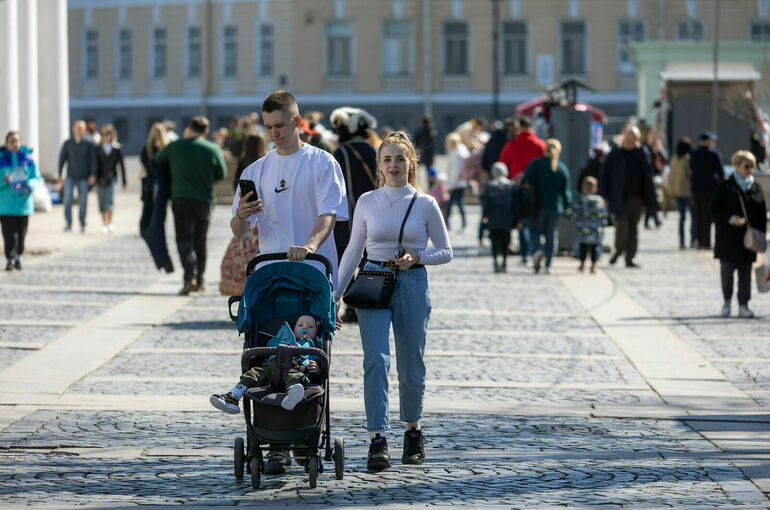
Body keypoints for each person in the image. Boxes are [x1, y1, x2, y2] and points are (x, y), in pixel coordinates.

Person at [231, 91, 348, 474]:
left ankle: (306, 433)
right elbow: (238, 228)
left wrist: (310, 245)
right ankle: (277, 439)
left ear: (297, 122)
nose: (274, 134)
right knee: (270, 354)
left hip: (310, 273)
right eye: (268, 127)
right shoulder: (255, 171)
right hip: (271, 275)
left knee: (308, 357)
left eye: (280, 126)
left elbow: (329, 214)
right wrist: (242, 215)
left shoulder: (321, 163)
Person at [335, 131, 452, 471]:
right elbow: (353, 251)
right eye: (387, 159)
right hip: (373, 282)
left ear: (410, 163)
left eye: (400, 158)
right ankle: (377, 438)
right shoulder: (368, 201)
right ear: (379, 165)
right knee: (375, 361)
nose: (394, 165)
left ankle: (413, 431)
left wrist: (418, 257)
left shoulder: (425, 203)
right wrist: (335, 296)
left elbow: (446, 251)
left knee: (411, 363)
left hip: (412, 283)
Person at [154, 116, 227, 295]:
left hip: (181, 199)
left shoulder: (175, 147)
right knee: (200, 242)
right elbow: (222, 173)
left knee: (184, 240)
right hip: (205, 201)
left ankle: (189, 277)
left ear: (189, 128)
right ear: (206, 131)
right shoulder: (212, 148)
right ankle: (201, 280)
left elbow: (157, 161)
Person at [210, 313, 323, 414]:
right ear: (292, 328)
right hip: (270, 369)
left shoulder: (316, 346)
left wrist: (318, 370)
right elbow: (265, 351)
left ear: (317, 330)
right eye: (300, 325)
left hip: (296, 370)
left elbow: (323, 370)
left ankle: (292, 394)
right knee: (253, 374)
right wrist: (253, 353)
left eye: (310, 326)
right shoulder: (279, 340)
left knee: (296, 377)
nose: (305, 327)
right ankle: (232, 397)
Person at [330, 106, 379, 323]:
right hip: (375, 214)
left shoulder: (342, 152)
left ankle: (352, 305)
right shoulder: (374, 149)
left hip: (350, 216)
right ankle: (366, 303)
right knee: (370, 260)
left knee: (345, 259)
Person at [711, 151, 766, 319]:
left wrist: (762, 234)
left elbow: (761, 212)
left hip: (749, 239)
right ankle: (727, 302)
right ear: (737, 166)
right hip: (728, 238)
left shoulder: (755, 186)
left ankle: (744, 305)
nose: (749, 170)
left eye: (752, 166)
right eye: (746, 166)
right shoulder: (726, 185)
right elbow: (714, 209)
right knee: (727, 272)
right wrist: (730, 218)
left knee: (745, 274)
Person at [600, 126, 656, 268]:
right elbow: (605, 176)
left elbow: (647, 177)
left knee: (633, 229)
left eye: (634, 140)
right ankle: (619, 251)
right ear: (625, 138)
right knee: (622, 227)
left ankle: (630, 258)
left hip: (637, 198)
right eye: (629, 139)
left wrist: (650, 200)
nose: (631, 142)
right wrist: (605, 196)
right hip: (618, 197)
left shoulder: (642, 153)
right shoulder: (615, 154)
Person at [219, 134, 267, 296]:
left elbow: (236, 184)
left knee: (243, 253)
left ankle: (244, 288)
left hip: (248, 213)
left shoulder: (243, 161)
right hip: (263, 215)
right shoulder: (267, 161)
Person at [497, 117, 546, 265]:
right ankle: (536, 248)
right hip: (537, 189)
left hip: (517, 187)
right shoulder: (540, 145)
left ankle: (525, 254)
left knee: (521, 222)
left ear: (519, 127)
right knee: (535, 220)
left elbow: (502, 164)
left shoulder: (511, 144)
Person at [523, 139, 572, 274]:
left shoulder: (536, 164)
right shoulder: (561, 168)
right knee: (551, 234)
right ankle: (549, 263)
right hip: (555, 207)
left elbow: (525, 181)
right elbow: (566, 191)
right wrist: (568, 205)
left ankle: (537, 251)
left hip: (537, 205)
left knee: (534, 232)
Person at [0, 131, 41, 271]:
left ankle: (19, 256)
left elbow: (36, 177)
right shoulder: (1, 160)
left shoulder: (28, 159)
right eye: (11, 141)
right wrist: (4, 181)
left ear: (20, 142)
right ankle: (10, 258)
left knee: (21, 233)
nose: (14, 143)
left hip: (23, 204)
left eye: (16, 141)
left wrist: (30, 185)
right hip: (5, 204)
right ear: (6, 143)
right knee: (8, 234)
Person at [58, 120, 97, 233]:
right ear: (73, 129)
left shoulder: (89, 144)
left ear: (85, 130)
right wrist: (60, 175)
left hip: (84, 177)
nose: (80, 130)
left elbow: (93, 161)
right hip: (70, 176)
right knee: (68, 198)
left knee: (83, 201)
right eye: (78, 127)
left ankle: (82, 223)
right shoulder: (68, 143)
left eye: (82, 128)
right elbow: (62, 160)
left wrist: (93, 175)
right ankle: (68, 223)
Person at [481, 162, 517, 272]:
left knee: (495, 241)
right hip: (507, 218)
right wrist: (517, 218)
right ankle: (505, 262)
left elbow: (486, 204)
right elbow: (515, 205)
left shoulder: (489, 187)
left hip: (493, 218)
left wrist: (485, 216)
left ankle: (496, 261)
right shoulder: (511, 186)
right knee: (506, 241)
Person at [691, 131, 725, 250]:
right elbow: (721, 173)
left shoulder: (694, 154)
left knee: (699, 216)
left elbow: (691, 172)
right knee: (709, 218)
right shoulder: (714, 154)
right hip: (711, 190)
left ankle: (700, 242)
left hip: (697, 190)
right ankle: (707, 242)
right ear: (708, 141)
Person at [95, 124, 126, 234]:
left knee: (110, 200)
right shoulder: (97, 148)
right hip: (100, 179)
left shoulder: (117, 148)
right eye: (103, 134)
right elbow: (94, 165)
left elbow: (122, 166)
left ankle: (110, 222)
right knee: (102, 202)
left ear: (111, 135)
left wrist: (124, 182)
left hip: (112, 177)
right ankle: (104, 223)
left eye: (107, 134)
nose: (105, 136)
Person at [572, 176, 607, 273]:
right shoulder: (599, 200)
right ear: (596, 188)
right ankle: (593, 265)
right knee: (594, 247)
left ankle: (582, 264)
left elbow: (576, 212)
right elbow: (603, 214)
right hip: (595, 229)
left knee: (583, 246)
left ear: (583, 188)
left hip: (583, 229)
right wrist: (603, 224)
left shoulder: (581, 199)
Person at [667, 137, 696, 249]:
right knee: (693, 216)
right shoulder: (687, 159)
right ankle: (693, 239)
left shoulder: (674, 159)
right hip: (688, 192)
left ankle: (682, 241)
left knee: (682, 217)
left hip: (677, 192)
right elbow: (690, 174)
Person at [445, 132, 470, 233]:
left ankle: (447, 225)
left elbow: (455, 171)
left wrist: (450, 186)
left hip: (456, 184)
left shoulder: (457, 153)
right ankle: (454, 225)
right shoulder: (460, 150)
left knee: (452, 205)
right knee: (458, 205)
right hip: (460, 183)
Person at [643, 127, 667, 229]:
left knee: (653, 199)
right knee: (652, 199)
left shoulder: (659, 148)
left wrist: (659, 150)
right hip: (648, 177)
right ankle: (655, 220)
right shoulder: (645, 148)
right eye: (651, 134)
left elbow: (665, 160)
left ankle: (649, 221)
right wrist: (653, 152)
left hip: (657, 177)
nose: (653, 137)